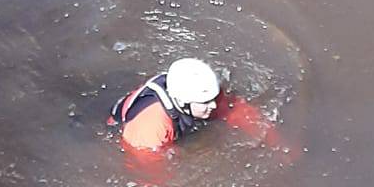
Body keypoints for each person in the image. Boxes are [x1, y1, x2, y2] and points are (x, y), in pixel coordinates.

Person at [107, 57, 285, 156]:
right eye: (206, 102)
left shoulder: (201, 94)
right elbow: (149, 177)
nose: (214, 105)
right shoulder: (149, 130)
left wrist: (279, 144)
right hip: (132, 135)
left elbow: (241, 113)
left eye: (213, 98)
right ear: (184, 102)